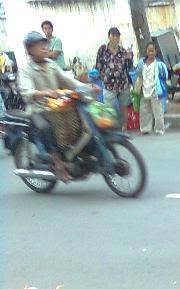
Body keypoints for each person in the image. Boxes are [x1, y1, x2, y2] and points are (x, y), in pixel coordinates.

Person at [18, 32, 82, 181]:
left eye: (44, 44)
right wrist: (43, 93)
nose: (44, 47)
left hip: (57, 106)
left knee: (80, 116)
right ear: (30, 50)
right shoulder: (25, 69)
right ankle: (58, 163)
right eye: (39, 45)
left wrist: (85, 87)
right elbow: (26, 92)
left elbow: (67, 80)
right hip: (37, 109)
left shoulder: (51, 64)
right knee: (45, 128)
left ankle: (77, 151)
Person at [95, 27, 133, 124]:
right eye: (113, 36)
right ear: (109, 37)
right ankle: (111, 128)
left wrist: (130, 58)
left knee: (123, 107)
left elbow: (130, 67)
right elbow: (98, 65)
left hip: (123, 84)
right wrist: (103, 76)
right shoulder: (102, 50)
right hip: (108, 85)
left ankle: (124, 128)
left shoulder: (123, 51)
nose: (115, 38)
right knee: (109, 109)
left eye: (117, 36)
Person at [134, 41, 168, 135]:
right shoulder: (142, 63)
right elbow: (138, 73)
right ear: (146, 52)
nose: (150, 53)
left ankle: (159, 129)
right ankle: (145, 129)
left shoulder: (159, 64)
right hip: (144, 90)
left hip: (155, 90)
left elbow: (165, 75)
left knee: (158, 111)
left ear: (155, 51)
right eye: (149, 51)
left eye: (152, 51)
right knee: (144, 110)